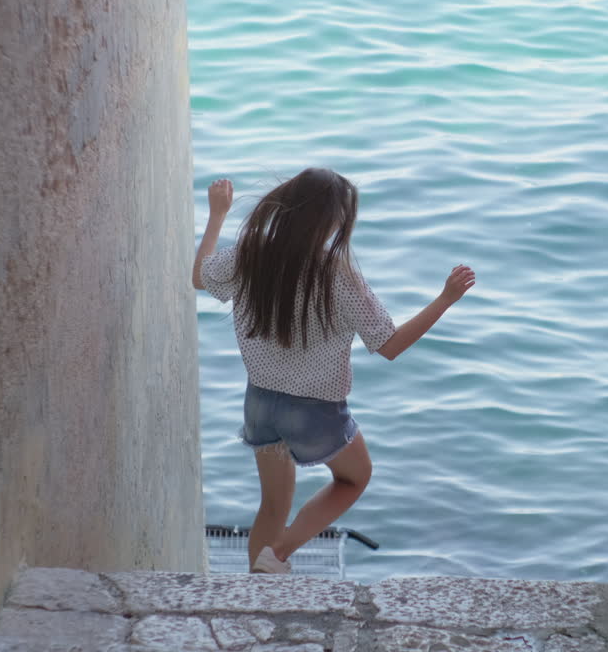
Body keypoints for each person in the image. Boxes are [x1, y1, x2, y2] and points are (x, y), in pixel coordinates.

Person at [192, 167, 476, 573]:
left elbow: (199, 277)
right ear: (334, 222)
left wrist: (218, 214)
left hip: (259, 403)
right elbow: (390, 345)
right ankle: (279, 553)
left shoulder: (252, 253)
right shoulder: (337, 274)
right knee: (354, 478)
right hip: (315, 410)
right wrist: (445, 299)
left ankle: (258, 585)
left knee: (273, 505)